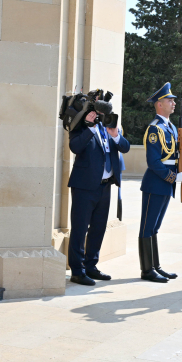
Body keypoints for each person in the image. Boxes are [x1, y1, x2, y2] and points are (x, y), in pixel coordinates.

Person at [67, 108, 130, 285]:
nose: (101, 115)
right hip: (84, 186)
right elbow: (75, 147)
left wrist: (115, 135)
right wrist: (90, 128)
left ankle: (91, 266)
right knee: (80, 229)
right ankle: (77, 271)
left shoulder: (110, 127)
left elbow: (125, 147)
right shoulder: (80, 125)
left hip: (105, 185)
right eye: (98, 111)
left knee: (98, 228)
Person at [139, 83, 182, 282]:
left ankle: (156, 266)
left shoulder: (171, 127)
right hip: (156, 183)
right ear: (159, 104)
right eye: (170, 100)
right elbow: (153, 162)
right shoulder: (155, 129)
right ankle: (146, 270)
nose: (174, 103)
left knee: (155, 227)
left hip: (167, 183)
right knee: (147, 226)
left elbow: (175, 155)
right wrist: (173, 177)